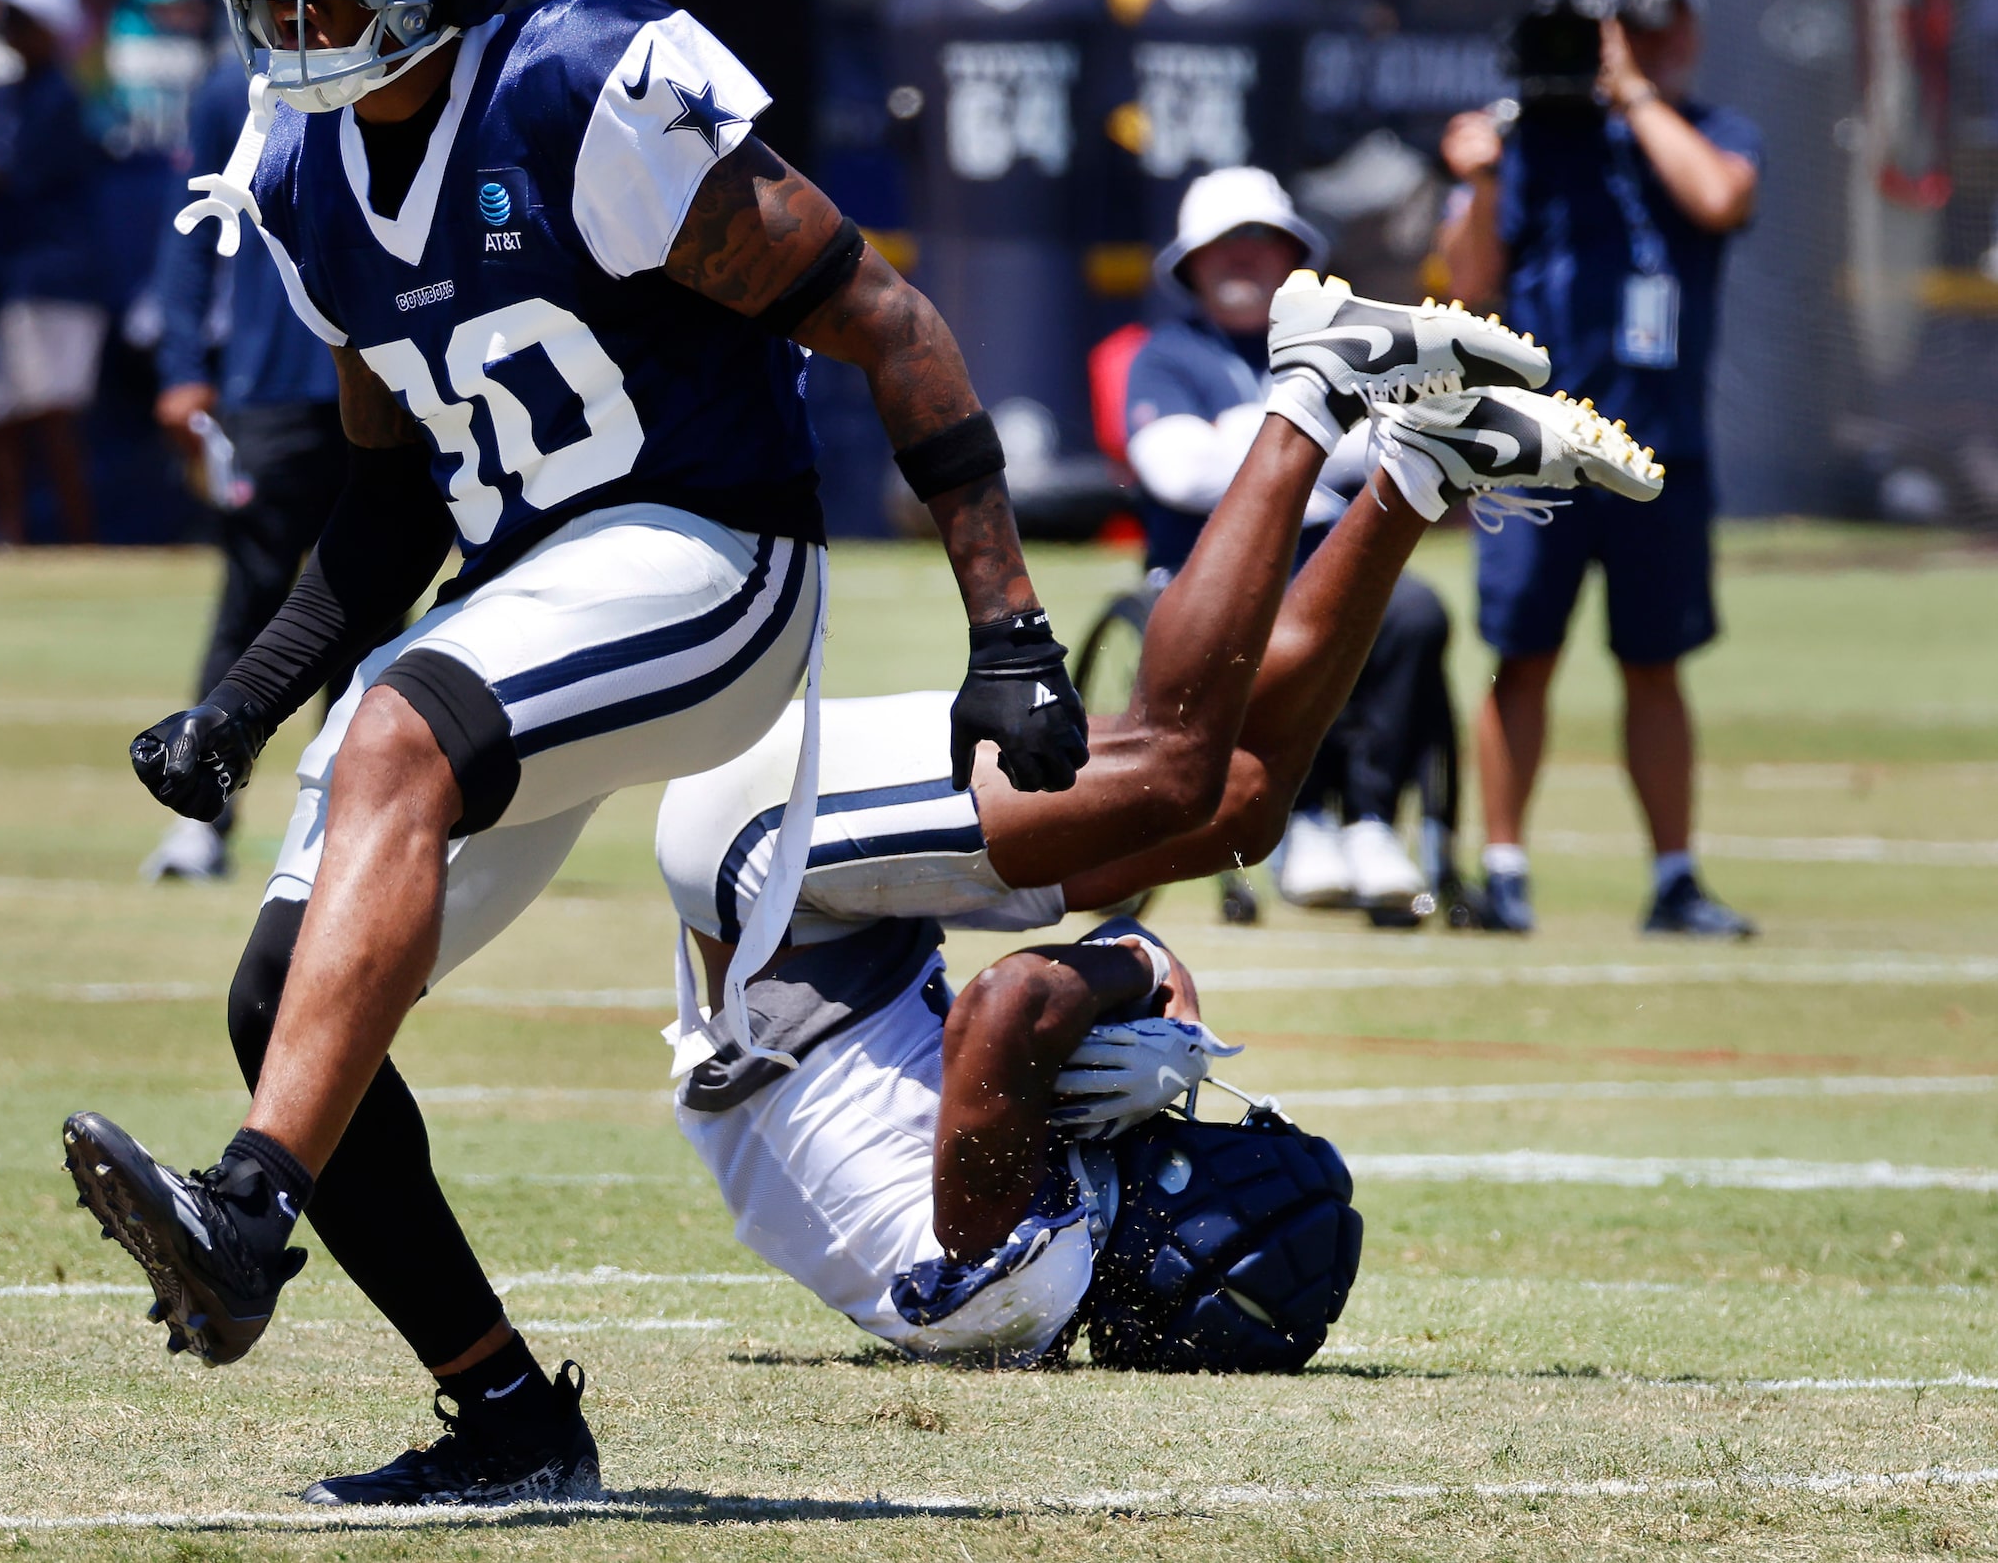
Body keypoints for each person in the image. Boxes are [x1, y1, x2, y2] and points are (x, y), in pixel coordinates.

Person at [60, 0, 1090, 1506]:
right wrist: (241, 702)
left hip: (715, 561)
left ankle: (243, 1213)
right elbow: (389, 498)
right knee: (286, 997)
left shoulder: (576, 90)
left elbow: (892, 325)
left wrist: (1011, 629)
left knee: (402, 739)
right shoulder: (310, 179)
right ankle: (510, 1414)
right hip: (526, 601)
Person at [249, 267, 1662, 1487]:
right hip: (823, 933)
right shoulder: (1044, 1279)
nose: (1188, 1140)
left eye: (1202, 1161)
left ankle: (1306, 382)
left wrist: (1137, 979)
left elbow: (1005, 1017)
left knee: (1171, 766)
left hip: (770, 884)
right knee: (1237, 805)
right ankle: (1413, 467)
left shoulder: (1022, 1277)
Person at [1439, 0, 1761, 939]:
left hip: (1658, 452)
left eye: (1665, 29)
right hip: (1538, 450)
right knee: (1519, 656)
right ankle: (1501, 870)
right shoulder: (1530, 142)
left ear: (1689, 36)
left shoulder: (1704, 132)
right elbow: (1468, 278)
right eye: (1631, 30)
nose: (1650, 45)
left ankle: (1671, 877)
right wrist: (1485, 180)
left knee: (1653, 663)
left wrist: (1634, 98)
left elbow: (1720, 200)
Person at [1122, 166, 1455, 916]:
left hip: (1328, 561)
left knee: (1414, 612)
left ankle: (1369, 821)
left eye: (1259, 242)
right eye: (1223, 245)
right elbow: (1175, 471)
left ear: (1288, 259)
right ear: (1192, 263)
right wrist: (1311, 439)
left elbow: (1388, 448)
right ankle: (1297, 819)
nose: (1242, 258)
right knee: (1277, 629)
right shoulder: (1165, 355)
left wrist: (1244, 438)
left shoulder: (1340, 352)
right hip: (1203, 578)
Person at [142, 48, 348, 882]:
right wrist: (181, 365)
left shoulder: (416, 60)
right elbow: (190, 228)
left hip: (391, 380)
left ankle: (355, 820)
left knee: (372, 613)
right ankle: (203, 816)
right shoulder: (242, 84)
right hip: (272, 384)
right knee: (250, 601)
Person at [0, 0, 104, 546]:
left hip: (54, 279)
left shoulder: (59, 99)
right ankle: (11, 539)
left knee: (52, 416)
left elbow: (6, 171)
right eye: (8, 19)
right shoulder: (4, 95)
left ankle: (78, 541)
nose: (10, 30)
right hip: (10, 278)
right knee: (3, 417)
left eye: (23, 20)